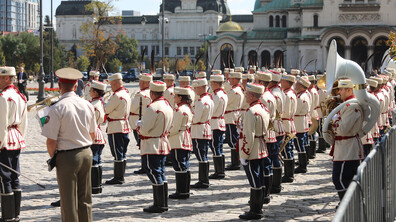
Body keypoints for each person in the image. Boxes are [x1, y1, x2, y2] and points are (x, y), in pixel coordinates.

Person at [42, 68, 96, 222]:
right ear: (76, 85)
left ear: (59, 85)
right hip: (86, 152)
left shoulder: (57, 107)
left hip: (67, 155)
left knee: (68, 202)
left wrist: (54, 157)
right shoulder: (87, 104)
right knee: (85, 198)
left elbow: (51, 140)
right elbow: (92, 133)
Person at [136, 81, 173, 213]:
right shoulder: (168, 105)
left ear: (152, 92)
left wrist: (138, 126)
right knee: (160, 172)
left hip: (152, 144)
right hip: (162, 141)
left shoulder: (152, 107)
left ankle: (159, 204)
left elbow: (145, 129)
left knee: (152, 170)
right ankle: (162, 202)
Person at [238, 83, 270, 220]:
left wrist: (244, 154)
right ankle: (258, 207)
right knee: (259, 178)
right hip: (261, 147)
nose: (245, 96)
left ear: (252, 95)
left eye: (246, 94)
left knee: (255, 180)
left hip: (253, 149)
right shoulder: (263, 108)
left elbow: (248, 136)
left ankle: (255, 211)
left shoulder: (251, 111)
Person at [0, 66, 27, 222]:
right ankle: (15, 213)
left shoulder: (4, 96)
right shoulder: (20, 95)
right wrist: (20, 137)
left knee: (4, 177)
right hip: (16, 138)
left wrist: (0, 142)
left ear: (6, 78)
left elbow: (2, 124)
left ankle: (8, 215)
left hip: (5, 139)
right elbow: (24, 122)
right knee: (15, 176)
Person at [330, 79, 364, 203]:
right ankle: (349, 205)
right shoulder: (346, 104)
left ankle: (347, 205)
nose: (339, 92)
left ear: (349, 90)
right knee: (346, 179)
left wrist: (333, 118)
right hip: (344, 147)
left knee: (339, 179)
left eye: (341, 89)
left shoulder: (352, 106)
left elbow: (343, 129)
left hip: (347, 148)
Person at [105, 73, 131, 185]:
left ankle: (118, 177)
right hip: (124, 125)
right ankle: (121, 175)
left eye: (111, 84)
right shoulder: (125, 93)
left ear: (115, 83)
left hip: (116, 126)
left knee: (117, 152)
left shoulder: (116, 96)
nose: (110, 86)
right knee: (122, 152)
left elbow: (106, 109)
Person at [255, 71, 277, 204]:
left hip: (264, 132)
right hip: (270, 131)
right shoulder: (271, 95)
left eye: (257, 81)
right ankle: (266, 193)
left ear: (261, 83)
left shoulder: (262, 97)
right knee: (267, 164)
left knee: (264, 164)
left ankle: (264, 193)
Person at [168, 87, 193, 199]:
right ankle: (185, 190)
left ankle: (181, 191)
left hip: (178, 139)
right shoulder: (187, 108)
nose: (174, 98)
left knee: (179, 165)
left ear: (180, 97)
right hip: (185, 137)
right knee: (184, 165)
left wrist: (165, 133)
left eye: (176, 96)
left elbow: (175, 128)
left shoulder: (180, 110)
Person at [190, 78, 214, 189]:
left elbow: (195, 118)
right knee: (203, 155)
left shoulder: (200, 102)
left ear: (200, 87)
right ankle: (204, 179)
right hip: (206, 128)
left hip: (199, 130)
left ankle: (203, 180)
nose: (195, 90)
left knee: (201, 156)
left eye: (196, 88)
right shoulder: (209, 99)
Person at [129, 73, 152, 175]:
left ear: (144, 82)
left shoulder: (140, 94)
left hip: (138, 122)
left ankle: (145, 166)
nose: (139, 83)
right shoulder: (151, 92)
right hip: (148, 120)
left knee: (142, 145)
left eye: (140, 82)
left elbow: (132, 108)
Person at [267, 70, 285, 194]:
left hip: (274, 125)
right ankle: (276, 183)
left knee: (273, 155)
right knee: (275, 154)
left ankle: (275, 184)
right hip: (278, 124)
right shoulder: (279, 91)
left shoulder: (274, 93)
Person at [208, 74, 228, 179]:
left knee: (215, 147)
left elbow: (212, 110)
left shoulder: (216, 96)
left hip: (215, 122)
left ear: (216, 83)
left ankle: (219, 171)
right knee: (219, 146)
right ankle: (221, 170)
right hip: (220, 121)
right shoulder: (223, 94)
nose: (211, 85)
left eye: (212, 83)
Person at [89, 80, 107, 194]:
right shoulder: (100, 102)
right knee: (98, 160)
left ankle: (94, 186)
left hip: (93, 133)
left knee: (93, 161)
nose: (89, 91)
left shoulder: (93, 105)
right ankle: (98, 185)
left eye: (91, 90)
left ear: (96, 92)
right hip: (99, 133)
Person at [224, 71, 244, 170]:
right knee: (233, 138)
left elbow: (225, 103)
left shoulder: (234, 91)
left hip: (231, 116)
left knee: (232, 139)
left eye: (232, 79)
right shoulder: (238, 89)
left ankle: (235, 162)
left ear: (236, 79)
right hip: (233, 115)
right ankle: (236, 161)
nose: (230, 80)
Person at [280, 74, 297, 183]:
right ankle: (289, 173)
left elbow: (285, 112)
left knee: (286, 150)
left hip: (286, 122)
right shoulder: (292, 93)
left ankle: (288, 174)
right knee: (288, 149)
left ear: (287, 83)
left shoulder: (286, 95)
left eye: (282, 81)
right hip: (289, 122)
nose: (281, 83)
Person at [293, 76, 311, 174]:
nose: (295, 84)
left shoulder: (300, 97)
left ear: (301, 86)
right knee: (302, 143)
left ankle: (302, 165)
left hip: (299, 121)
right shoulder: (304, 95)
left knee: (299, 144)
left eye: (297, 84)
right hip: (302, 121)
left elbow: (296, 110)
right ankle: (303, 162)